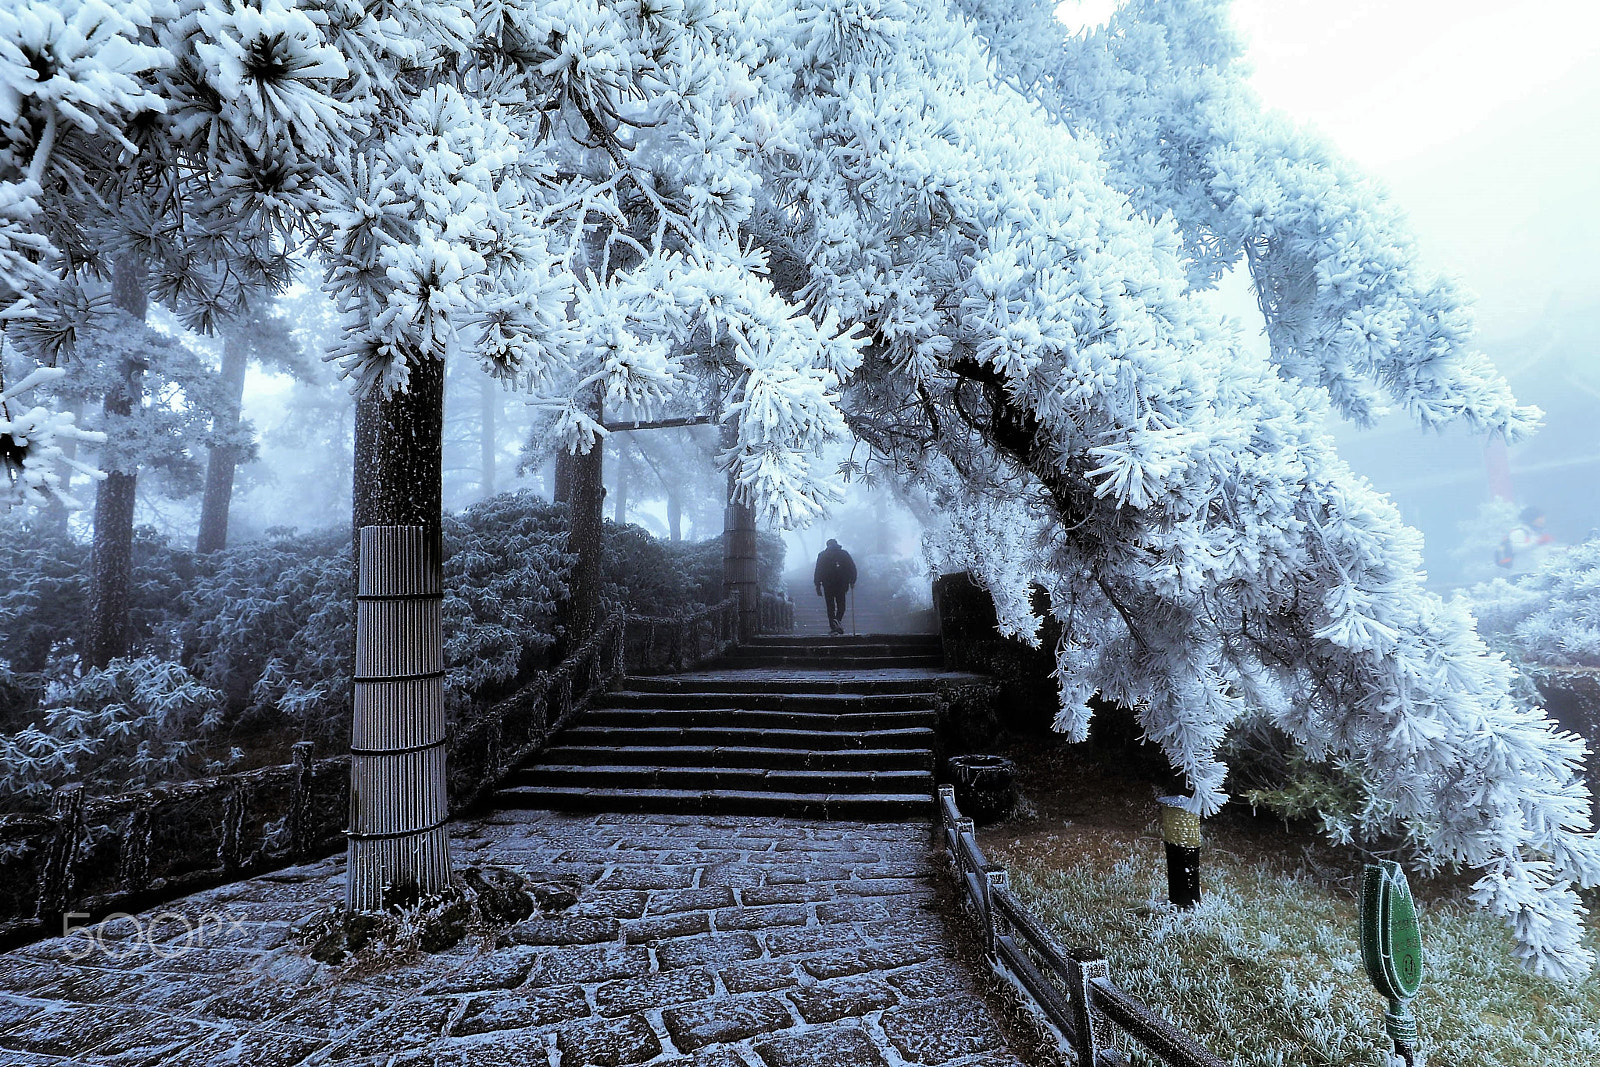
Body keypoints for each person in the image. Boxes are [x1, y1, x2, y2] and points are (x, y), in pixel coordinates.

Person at [813, 538, 857, 635]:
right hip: (842, 584)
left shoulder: (823, 555)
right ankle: (837, 621)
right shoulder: (844, 554)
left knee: (830, 606)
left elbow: (818, 571)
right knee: (841, 604)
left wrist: (818, 585)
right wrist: (852, 581)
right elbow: (852, 567)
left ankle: (834, 626)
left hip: (828, 584)